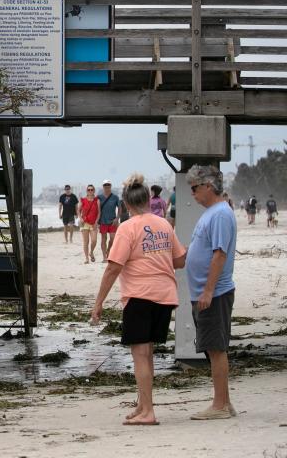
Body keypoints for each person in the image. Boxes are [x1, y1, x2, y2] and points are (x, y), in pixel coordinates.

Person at [91, 173, 186, 426]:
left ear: (126, 204)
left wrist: (98, 302)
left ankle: (149, 412)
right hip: (165, 296)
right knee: (148, 353)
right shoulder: (164, 224)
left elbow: (113, 267)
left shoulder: (127, 228)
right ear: (147, 199)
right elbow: (180, 260)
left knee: (140, 355)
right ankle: (143, 405)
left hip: (140, 296)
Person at [186, 165, 238, 420]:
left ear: (208, 186)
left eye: (195, 188)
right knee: (211, 348)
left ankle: (219, 406)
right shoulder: (212, 213)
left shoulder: (219, 214)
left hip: (214, 294)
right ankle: (224, 403)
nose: (192, 193)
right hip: (205, 293)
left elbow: (220, 254)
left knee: (216, 348)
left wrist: (207, 291)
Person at [97, 180, 120, 262]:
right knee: (104, 238)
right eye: (105, 185)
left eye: (108, 185)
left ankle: (108, 251)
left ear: (110, 186)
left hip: (112, 221)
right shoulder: (99, 197)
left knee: (113, 239)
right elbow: (95, 208)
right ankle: (104, 257)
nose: (107, 186)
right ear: (103, 187)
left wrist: (117, 219)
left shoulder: (115, 197)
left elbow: (120, 209)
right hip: (102, 221)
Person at [80, 185, 100, 263]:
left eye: (92, 190)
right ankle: (86, 258)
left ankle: (91, 252)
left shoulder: (97, 200)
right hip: (85, 223)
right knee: (86, 242)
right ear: (87, 191)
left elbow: (99, 213)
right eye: (89, 190)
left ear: (94, 191)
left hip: (93, 224)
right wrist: (80, 218)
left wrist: (96, 222)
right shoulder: (83, 200)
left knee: (94, 240)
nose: (90, 191)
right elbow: (78, 210)